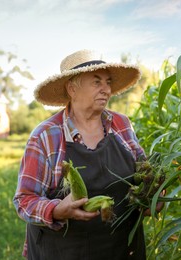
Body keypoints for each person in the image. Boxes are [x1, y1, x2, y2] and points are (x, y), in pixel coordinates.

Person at [13, 49, 155, 259]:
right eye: (97, 82)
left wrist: (151, 196)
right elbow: (24, 200)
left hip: (123, 249)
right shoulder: (46, 136)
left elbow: (143, 173)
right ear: (72, 88)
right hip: (63, 252)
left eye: (108, 82)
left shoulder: (121, 124)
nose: (106, 89)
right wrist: (56, 210)